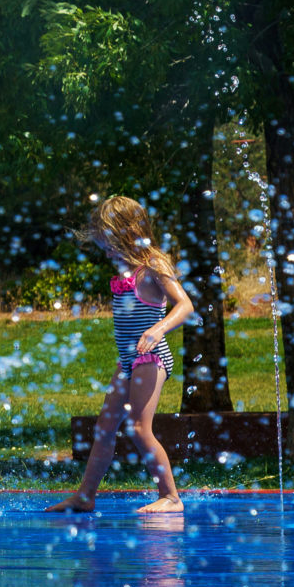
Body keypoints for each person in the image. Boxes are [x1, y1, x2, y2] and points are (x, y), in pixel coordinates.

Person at [47, 195, 190, 516]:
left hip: (150, 359)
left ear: (131, 231)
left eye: (111, 242)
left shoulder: (154, 264)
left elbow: (185, 305)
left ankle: (170, 496)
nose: (107, 250)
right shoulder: (128, 270)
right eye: (103, 243)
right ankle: (85, 496)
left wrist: (158, 330)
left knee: (139, 428)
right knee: (105, 428)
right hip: (127, 360)